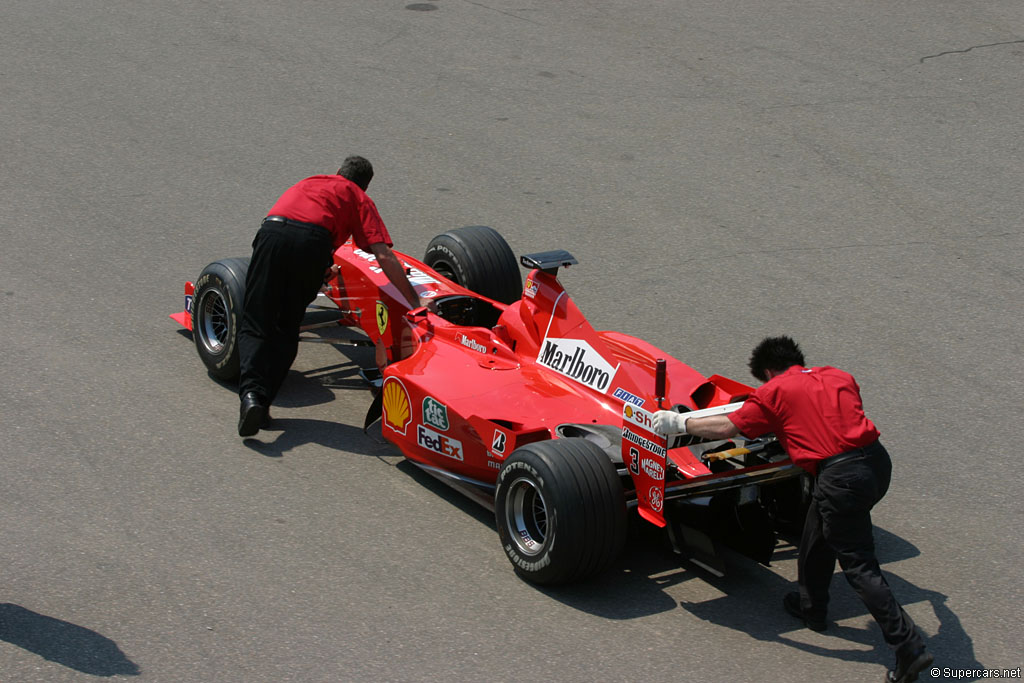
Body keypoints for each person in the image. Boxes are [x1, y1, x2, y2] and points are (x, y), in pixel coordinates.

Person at [652, 336, 932, 683]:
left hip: (839, 478)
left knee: (858, 562)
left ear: (768, 371)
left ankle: (909, 647)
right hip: (876, 464)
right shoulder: (838, 376)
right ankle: (811, 607)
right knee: (819, 527)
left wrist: (676, 423)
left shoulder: (774, 391)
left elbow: (728, 428)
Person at [236, 156, 428, 437]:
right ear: (365, 187)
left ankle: (251, 396)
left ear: (337, 171)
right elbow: (383, 254)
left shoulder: (311, 181)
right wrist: (415, 302)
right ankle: (262, 402)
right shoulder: (359, 198)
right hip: (313, 244)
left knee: (256, 321)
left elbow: (295, 224)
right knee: (287, 326)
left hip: (272, 232)